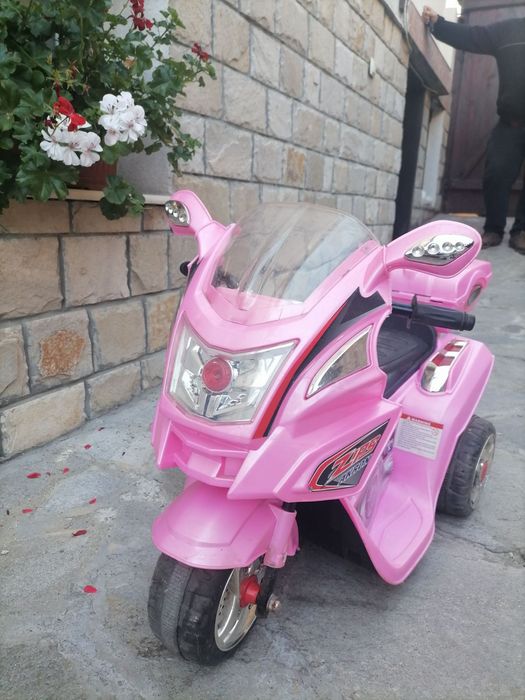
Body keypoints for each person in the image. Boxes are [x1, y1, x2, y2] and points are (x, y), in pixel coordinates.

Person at [422, 6, 525, 254]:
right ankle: (494, 229)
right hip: (511, 122)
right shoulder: (509, 31)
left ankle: (522, 231)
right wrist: (438, 24)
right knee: (495, 174)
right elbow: (472, 36)